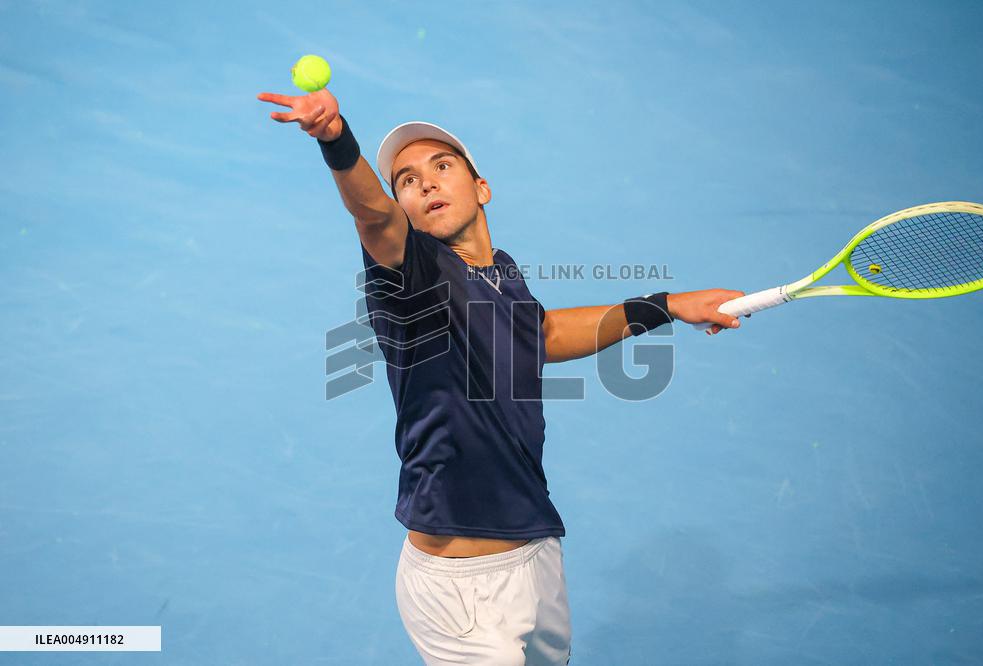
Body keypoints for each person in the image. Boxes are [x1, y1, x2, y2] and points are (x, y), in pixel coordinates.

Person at [257, 85, 744, 665]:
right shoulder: (410, 272)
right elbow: (371, 214)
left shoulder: (501, 273)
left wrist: (666, 304)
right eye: (407, 180)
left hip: (535, 553)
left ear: (481, 188)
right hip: (458, 592)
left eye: (442, 166)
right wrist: (337, 142)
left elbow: (541, 335)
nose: (427, 182)